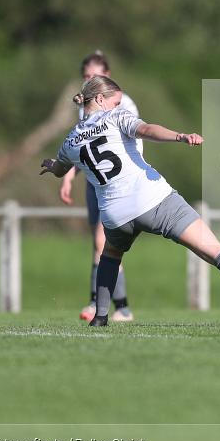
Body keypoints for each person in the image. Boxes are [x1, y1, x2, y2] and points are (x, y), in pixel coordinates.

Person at [41, 76, 220, 326]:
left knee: (110, 256)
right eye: (116, 101)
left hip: (115, 214)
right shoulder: (114, 117)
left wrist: (51, 165)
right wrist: (179, 136)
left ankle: (100, 317)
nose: (119, 106)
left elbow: (60, 169)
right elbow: (146, 129)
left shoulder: (70, 141)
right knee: (214, 250)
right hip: (152, 199)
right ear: (100, 100)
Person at [59, 51, 138, 322]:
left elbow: (129, 141)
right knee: (101, 244)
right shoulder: (86, 108)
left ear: (107, 76)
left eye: (93, 76)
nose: (88, 81)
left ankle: (104, 306)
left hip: (117, 183)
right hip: (95, 182)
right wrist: (69, 176)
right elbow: (85, 148)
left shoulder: (122, 103)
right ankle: (118, 307)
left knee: (104, 242)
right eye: (85, 77)